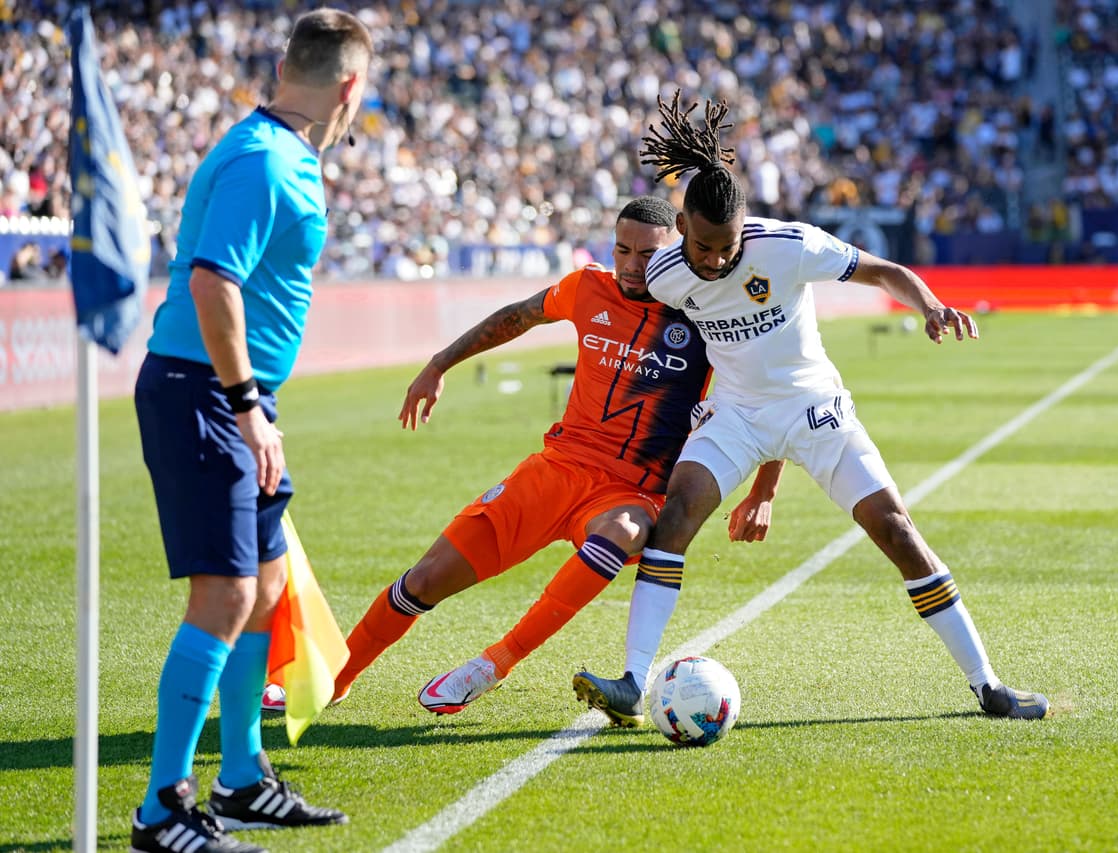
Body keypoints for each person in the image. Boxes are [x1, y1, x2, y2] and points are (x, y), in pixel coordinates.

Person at [573, 91, 1049, 726]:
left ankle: (988, 686)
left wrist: (930, 305)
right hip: (736, 416)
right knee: (676, 520)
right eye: (706, 246)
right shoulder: (664, 274)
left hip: (813, 407)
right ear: (682, 227)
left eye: (728, 246)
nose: (717, 260)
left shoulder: (790, 245)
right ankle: (633, 681)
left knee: (898, 532)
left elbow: (885, 271)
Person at [267, 196, 781, 718]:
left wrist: (764, 490)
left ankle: (495, 663)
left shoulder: (709, 313)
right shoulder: (588, 288)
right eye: (622, 249)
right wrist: (439, 364)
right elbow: (518, 317)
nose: (631, 264)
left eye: (647, 254)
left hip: (631, 491)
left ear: (675, 246)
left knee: (621, 532)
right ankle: (337, 677)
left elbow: (773, 392)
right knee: (422, 582)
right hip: (553, 470)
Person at [129, 10, 372, 853]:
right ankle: (162, 809)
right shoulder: (267, 161)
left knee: (266, 586)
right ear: (349, 88)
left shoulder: (279, 151)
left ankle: (241, 778)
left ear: (283, 66)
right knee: (228, 594)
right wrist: (246, 404)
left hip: (234, 396)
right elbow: (213, 282)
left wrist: (252, 402)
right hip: (207, 395)